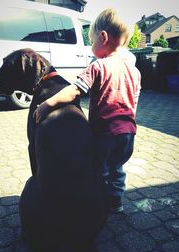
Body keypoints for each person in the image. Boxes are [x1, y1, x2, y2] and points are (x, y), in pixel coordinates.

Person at [33, 8, 141, 213]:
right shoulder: (134, 71)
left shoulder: (98, 66)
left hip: (105, 133)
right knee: (116, 169)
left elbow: (74, 91)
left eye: (91, 41)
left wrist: (47, 104)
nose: (91, 46)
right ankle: (116, 202)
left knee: (97, 169)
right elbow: (135, 99)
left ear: (103, 37)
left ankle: (95, 202)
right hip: (128, 134)